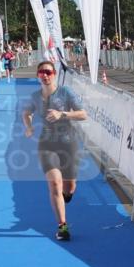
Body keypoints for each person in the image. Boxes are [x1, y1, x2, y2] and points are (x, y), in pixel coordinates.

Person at [21, 60, 87, 241]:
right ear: (37, 75)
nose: (45, 75)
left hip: (68, 143)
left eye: (48, 72)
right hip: (46, 144)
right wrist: (28, 127)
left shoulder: (65, 92)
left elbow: (83, 114)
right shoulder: (35, 96)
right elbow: (25, 113)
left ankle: (67, 195)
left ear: (54, 74)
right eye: (42, 72)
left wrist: (62, 114)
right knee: (55, 184)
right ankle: (62, 226)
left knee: (69, 186)